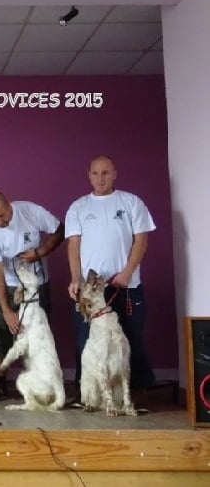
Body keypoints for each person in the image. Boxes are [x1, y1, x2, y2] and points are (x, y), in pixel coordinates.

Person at [66, 155, 156, 396]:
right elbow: (73, 246)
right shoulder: (78, 207)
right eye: (95, 173)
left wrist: (127, 273)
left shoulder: (131, 202)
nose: (100, 178)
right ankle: (86, 393)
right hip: (91, 291)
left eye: (105, 173)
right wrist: (76, 279)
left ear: (115, 174)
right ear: (89, 176)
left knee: (129, 339)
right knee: (87, 341)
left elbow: (141, 240)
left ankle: (134, 394)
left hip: (125, 285)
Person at [0, 190, 64, 400]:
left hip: (36, 286)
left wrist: (40, 252)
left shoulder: (30, 211)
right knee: (0, 335)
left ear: (9, 206)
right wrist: (6, 309)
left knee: (40, 337)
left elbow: (60, 230)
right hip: (6, 285)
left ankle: (46, 384)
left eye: (2, 216)